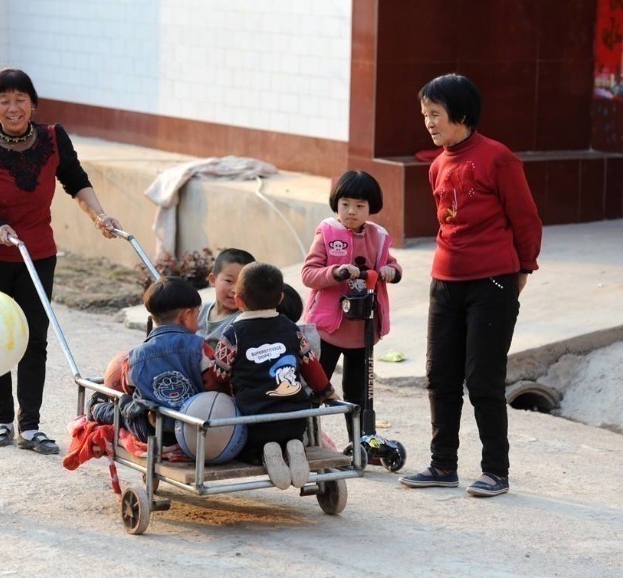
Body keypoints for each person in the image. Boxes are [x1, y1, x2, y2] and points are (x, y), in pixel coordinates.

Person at [0, 68, 122, 455]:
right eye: (4, 101)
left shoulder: (52, 138)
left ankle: (29, 425)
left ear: (33, 103)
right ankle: (1, 420)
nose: (13, 108)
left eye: (20, 100)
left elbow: (75, 180)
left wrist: (100, 216)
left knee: (34, 336)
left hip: (38, 252)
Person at [398, 73, 542, 497]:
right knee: (439, 376)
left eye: (435, 114)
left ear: (460, 114)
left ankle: (495, 471)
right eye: (425, 114)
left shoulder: (498, 158)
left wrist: (522, 272)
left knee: (482, 381)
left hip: (492, 283)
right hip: (445, 282)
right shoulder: (439, 163)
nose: (428, 122)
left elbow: (527, 220)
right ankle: (443, 465)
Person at [207, 262, 337, 490]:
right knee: (290, 433)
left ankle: (262, 455)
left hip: (254, 422)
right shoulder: (291, 329)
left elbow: (219, 375)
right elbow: (311, 366)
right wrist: (328, 392)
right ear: (279, 299)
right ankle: (293, 448)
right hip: (295, 419)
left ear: (238, 300)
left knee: (246, 447)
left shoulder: (233, 335)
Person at [300, 170, 402, 440]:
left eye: (359, 205)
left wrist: (392, 270)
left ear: (371, 208)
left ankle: (361, 443)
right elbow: (309, 274)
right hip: (328, 330)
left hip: (362, 330)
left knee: (359, 393)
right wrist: (336, 272)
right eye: (345, 204)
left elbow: (390, 265)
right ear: (336, 203)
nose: (351, 211)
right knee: (315, 388)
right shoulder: (327, 232)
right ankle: (305, 439)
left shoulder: (377, 237)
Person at [88, 276, 215, 444]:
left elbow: (128, 387)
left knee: (127, 409)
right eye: (197, 315)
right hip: (191, 430)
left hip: (149, 430)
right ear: (186, 315)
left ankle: (97, 409)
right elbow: (215, 384)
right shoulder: (201, 348)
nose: (198, 323)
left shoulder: (134, 357)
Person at [196, 248, 255, 349]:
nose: (236, 290)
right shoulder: (198, 311)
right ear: (212, 280)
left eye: (243, 283)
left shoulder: (242, 321)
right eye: (229, 281)